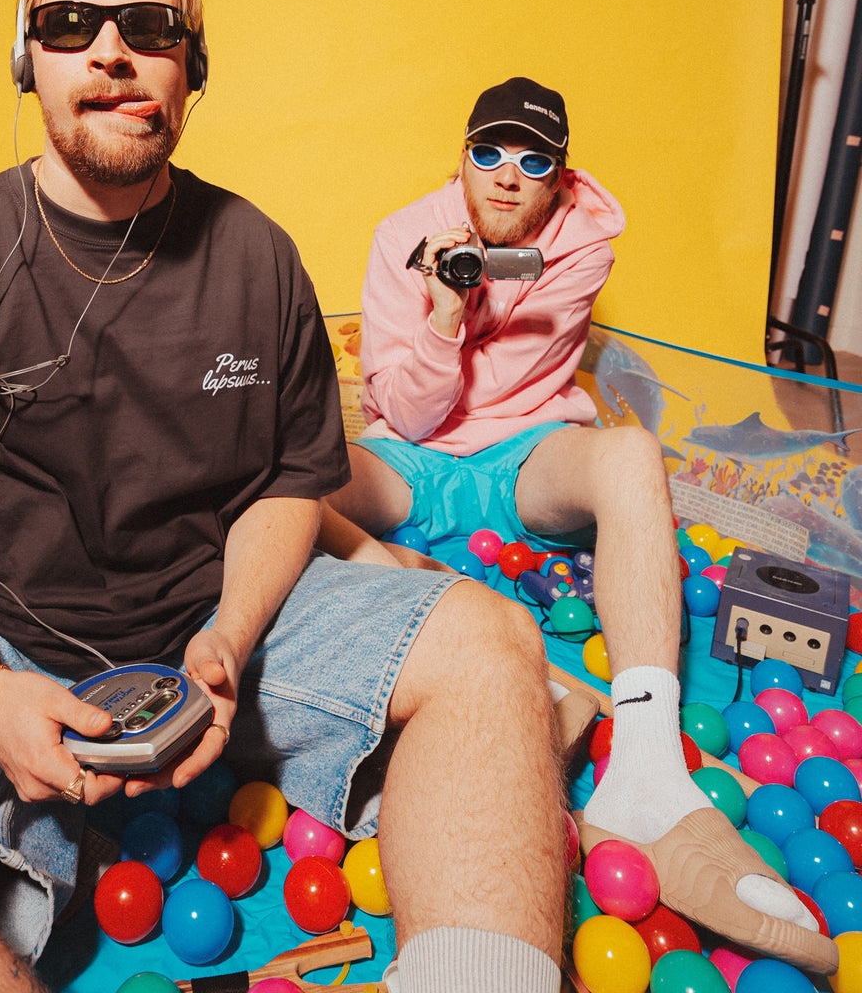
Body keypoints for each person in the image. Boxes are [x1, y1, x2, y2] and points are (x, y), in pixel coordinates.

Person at [0, 0, 573, 993]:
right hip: (1, 642)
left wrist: (229, 637)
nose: (111, 50)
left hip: (230, 628)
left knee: (493, 638)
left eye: (150, 27)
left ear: (191, 69)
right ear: (28, 62)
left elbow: (286, 485)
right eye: (71, 24)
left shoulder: (258, 258)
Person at [318, 76, 839, 976]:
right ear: (461, 156)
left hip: (527, 453)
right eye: (489, 153)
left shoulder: (585, 241)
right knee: (293, 483)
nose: (506, 176)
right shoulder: (401, 234)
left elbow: (508, 346)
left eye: (533, 162)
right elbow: (408, 407)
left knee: (632, 455)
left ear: (560, 177)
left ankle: (646, 761)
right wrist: (441, 313)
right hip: (414, 455)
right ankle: (461, 625)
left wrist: (467, 285)